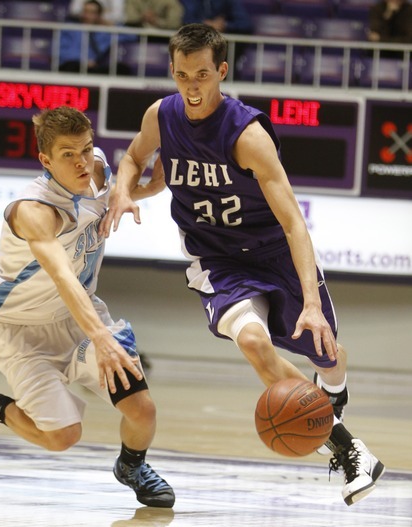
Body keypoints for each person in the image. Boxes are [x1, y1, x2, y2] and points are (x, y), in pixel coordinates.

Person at [99, 23, 385, 506]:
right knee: (252, 341)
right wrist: (125, 192)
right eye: (183, 74)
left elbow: (294, 223)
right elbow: (132, 157)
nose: (192, 85)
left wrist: (310, 304)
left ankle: (333, 392)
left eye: (203, 75)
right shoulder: (160, 116)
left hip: (274, 252)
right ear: (172, 70)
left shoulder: (246, 134)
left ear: (221, 72)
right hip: (217, 259)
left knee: (327, 352)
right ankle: (351, 449)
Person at [0, 106, 175, 509]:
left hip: (79, 317)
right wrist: (102, 338)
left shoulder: (95, 169)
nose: (82, 161)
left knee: (142, 410)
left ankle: (131, 467)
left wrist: (147, 187)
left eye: (87, 148)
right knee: (62, 436)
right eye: (68, 154)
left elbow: (122, 187)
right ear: (45, 160)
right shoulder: (33, 211)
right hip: (20, 332)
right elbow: (63, 277)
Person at [59, 0, 132, 75]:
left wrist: (112, 25)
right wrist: (84, 61)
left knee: (122, 69)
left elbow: (132, 36)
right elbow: (59, 51)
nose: (87, 15)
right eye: (85, 11)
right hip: (74, 66)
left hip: (93, 69)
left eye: (92, 13)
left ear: (99, 16)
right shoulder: (70, 28)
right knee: (71, 66)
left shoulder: (104, 32)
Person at [180, 0, 253, 35]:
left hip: (222, 45)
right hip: (195, 41)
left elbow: (246, 24)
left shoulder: (229, 2)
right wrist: (204, 24)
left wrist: (224, 25)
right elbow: (186, 20)